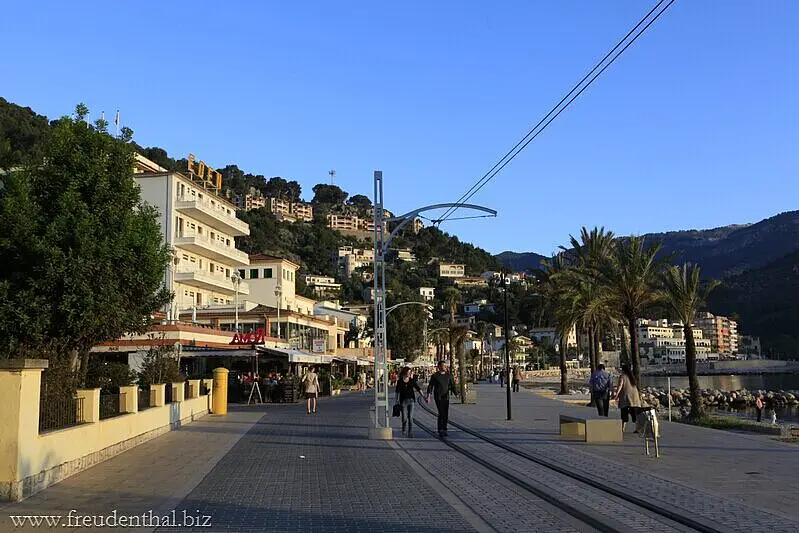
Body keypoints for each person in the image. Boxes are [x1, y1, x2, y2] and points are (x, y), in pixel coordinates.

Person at [426, 360, 458, 438]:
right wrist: (428, 395)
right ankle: (440, 429)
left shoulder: (449, 375)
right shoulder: (435, 376)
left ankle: (445, 428)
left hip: (446, 396)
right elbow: (430, 386)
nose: (445, 367)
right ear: (439, 366)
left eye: (445, 365)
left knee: (445, 413)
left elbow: (452, 385)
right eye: (443, 365)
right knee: (441, 412)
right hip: (438, 396)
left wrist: (456, 393)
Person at [395, 366, 423, 437]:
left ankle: (410, 432)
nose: (410, 373)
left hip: (411, 400)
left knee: (410, 417)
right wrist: (397, 400)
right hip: (403, 401)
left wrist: (424, 397)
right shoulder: (400, 381)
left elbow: (418, 388)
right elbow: (397, 391)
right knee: (404, 418)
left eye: (410, 372)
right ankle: (404, 429)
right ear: (405, 372)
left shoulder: (412, 380)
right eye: (409, 372)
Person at [613, 363, 642, 431]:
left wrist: (616, 395)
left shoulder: (622, 376)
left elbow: (620, 386)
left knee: (624, 412)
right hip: (634, 396)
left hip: (625, 396)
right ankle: (637, 428)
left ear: (623, 370)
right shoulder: (632, 376)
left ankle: (623, 428)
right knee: (634, 412)